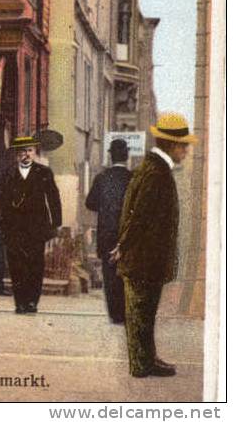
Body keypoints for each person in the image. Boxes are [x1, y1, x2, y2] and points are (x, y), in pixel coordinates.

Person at [109, 113, 196, 378]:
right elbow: (139, 215)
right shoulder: (156, 172)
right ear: (172, 145)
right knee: (140, 314)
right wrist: (123, 245)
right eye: (184, 145)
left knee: (144, 313)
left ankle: (147, 359)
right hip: (143, 259)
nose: (186, 150)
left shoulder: (154, 168)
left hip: (147, 258)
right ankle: (140, 365)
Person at [0, 135, 62, 314]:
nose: (26, 154)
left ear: (35, 153)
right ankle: (20, 302)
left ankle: (32, 301)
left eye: (30, 151)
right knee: (16, 265)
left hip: (36, 227)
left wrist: (56, 224)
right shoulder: (7, 173)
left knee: (35, 264)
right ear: (17, 154)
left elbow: (53, 198)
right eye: (22, 151)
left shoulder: (44, 172)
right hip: (13, 227)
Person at [85, 138, 132, 324]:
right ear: (127, 156)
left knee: (109, 274)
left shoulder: (101, 178)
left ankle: (115, 314)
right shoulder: (133, 178)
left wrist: (105, 207)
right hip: (127, 236)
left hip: (106, 235)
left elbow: (90, 203)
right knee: (127, 274)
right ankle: (126, 311)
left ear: (110, 156)